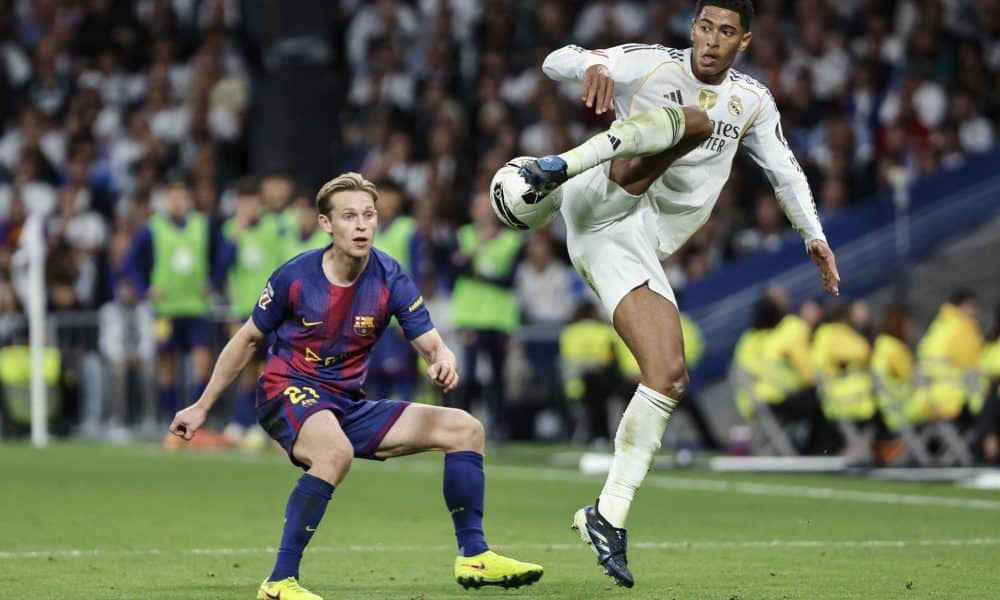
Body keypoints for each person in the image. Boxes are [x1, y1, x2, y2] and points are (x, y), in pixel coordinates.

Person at [519, 0, 840, 587]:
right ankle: (558, 165)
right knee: (692, 121)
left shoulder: (752, 102)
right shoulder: (647, 63)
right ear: (691, 28)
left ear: (744, 41)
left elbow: (785, 170)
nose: (711, 41)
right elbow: (553, 61)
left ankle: (606, 515)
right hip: (598, 197)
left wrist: (813, 236)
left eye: (725, 32)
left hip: (629, 242)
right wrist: (586, 66)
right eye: (704, 27)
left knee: (668, 374)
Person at [168, 173, 543, 600]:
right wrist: (201, 406)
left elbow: (433, 345)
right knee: (334, 453)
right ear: (326, 224)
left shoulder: (390, 276)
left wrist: (445, 361)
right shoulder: (294, 276)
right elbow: (247, 340)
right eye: (349, 216)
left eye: (369, 215)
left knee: (464, 429)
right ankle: (278, 583)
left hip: (345, 404)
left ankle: (474, 555)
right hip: (286, 389)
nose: (362, 225)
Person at [122, 176, 223, 448]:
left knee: (202, 361)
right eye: (173, 195)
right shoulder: (152, 229)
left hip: (196, 307)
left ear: (188, 198)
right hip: (165, 310)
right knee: (168, 366)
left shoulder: (203, 225)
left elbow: (221, 254)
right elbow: (129, 263)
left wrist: (213, 280)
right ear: (166, 199)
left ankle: (198, 422)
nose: (178, 200)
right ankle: (173, 424)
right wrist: (146, 290)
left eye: (182, 195)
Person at [217, 177, 283, 446]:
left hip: (274, 310)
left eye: (252, 201)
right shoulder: (229, 229)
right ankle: (240, 421)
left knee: (272, 369)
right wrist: (235, 238)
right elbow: (221, 268)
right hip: (242, 310)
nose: (248, 207)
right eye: (243, 202)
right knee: (244, 367)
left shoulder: (275, 227)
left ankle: (265, 424)